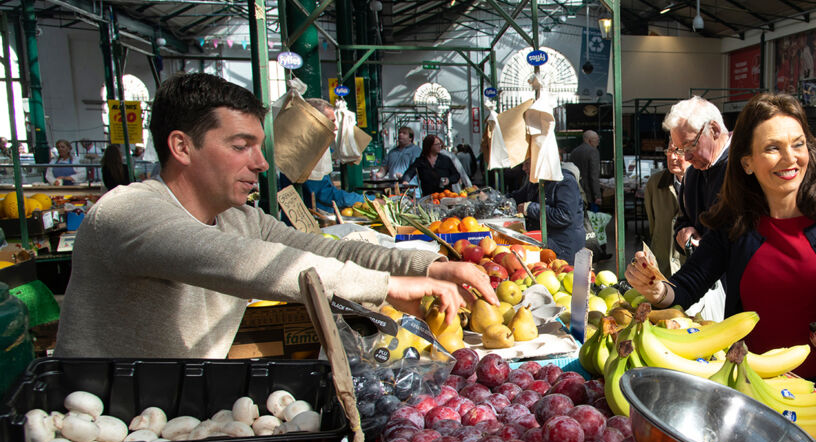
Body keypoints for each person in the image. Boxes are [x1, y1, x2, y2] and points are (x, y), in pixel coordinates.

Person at [56, 72, 495, 359]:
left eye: (258, 147)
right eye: (240, 146)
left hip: (178, 419)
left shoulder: (239, 218)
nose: (261, 163)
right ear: (181, 147)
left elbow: (324, 248)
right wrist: (388, 287)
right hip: (98, 432)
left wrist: (432, 264)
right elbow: (250, 264)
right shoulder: (126, 213)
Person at [626, 93, 816, 387]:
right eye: (773, 148)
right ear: (747, 162)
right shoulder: (732, 222)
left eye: (798, 144)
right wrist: (655, 289)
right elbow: (685, 288)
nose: (790, 158)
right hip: (749, 387)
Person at [665, 97, 731, 253]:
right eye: (681, 149)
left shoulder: (746, 166)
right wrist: (684, 236)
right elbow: (683, 222)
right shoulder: (692, 175)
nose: (686, 157)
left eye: (689, 146)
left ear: (714, 130)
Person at [282, 98, 367, 213]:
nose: (336, 127)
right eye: (331, 121)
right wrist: (366, 200)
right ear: (316, 121)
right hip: (307, 221)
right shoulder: (305, 152)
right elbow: (324, 194)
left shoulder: (315, 148)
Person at [510, 160, 585, 260]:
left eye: (527, 163)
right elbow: (518, 196)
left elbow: (564, 215)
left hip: (563, 249)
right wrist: (496, 199)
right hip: (547, 244)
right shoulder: (536, 181)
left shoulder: (566, 182)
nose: (523, 168)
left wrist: (530, 208)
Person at [643, 146, 688, 278]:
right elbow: (653, 225)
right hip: (662, 267)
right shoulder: (654, 183)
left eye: (679, 151)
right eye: (669, 151)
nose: (672, 157)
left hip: (692, 271)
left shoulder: (705, 183)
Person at [569, 131, 602, 209]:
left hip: (576, 190)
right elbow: (593, 176)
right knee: (593, 218)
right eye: (596, 140)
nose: (598, 143)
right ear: (590, 140)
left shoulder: (574, 152)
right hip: (589, 192)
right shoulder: (593, 151)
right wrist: (597, 196)